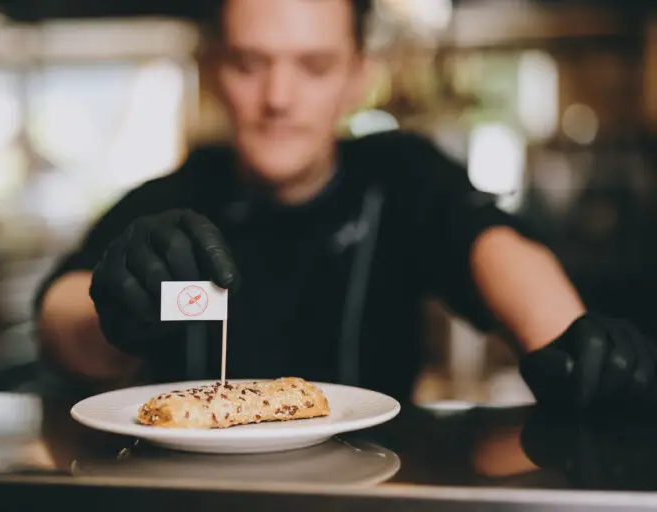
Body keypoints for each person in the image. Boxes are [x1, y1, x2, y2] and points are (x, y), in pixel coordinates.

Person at [34, 0, 657, 410]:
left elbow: (487, 242)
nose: (278, 97)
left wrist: (571, 342)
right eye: (252, 63)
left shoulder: (401, 177)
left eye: (313, 65)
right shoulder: (168, 198)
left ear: (358, 75)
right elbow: (61, 317)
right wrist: (109, 316)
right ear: (216, 70)